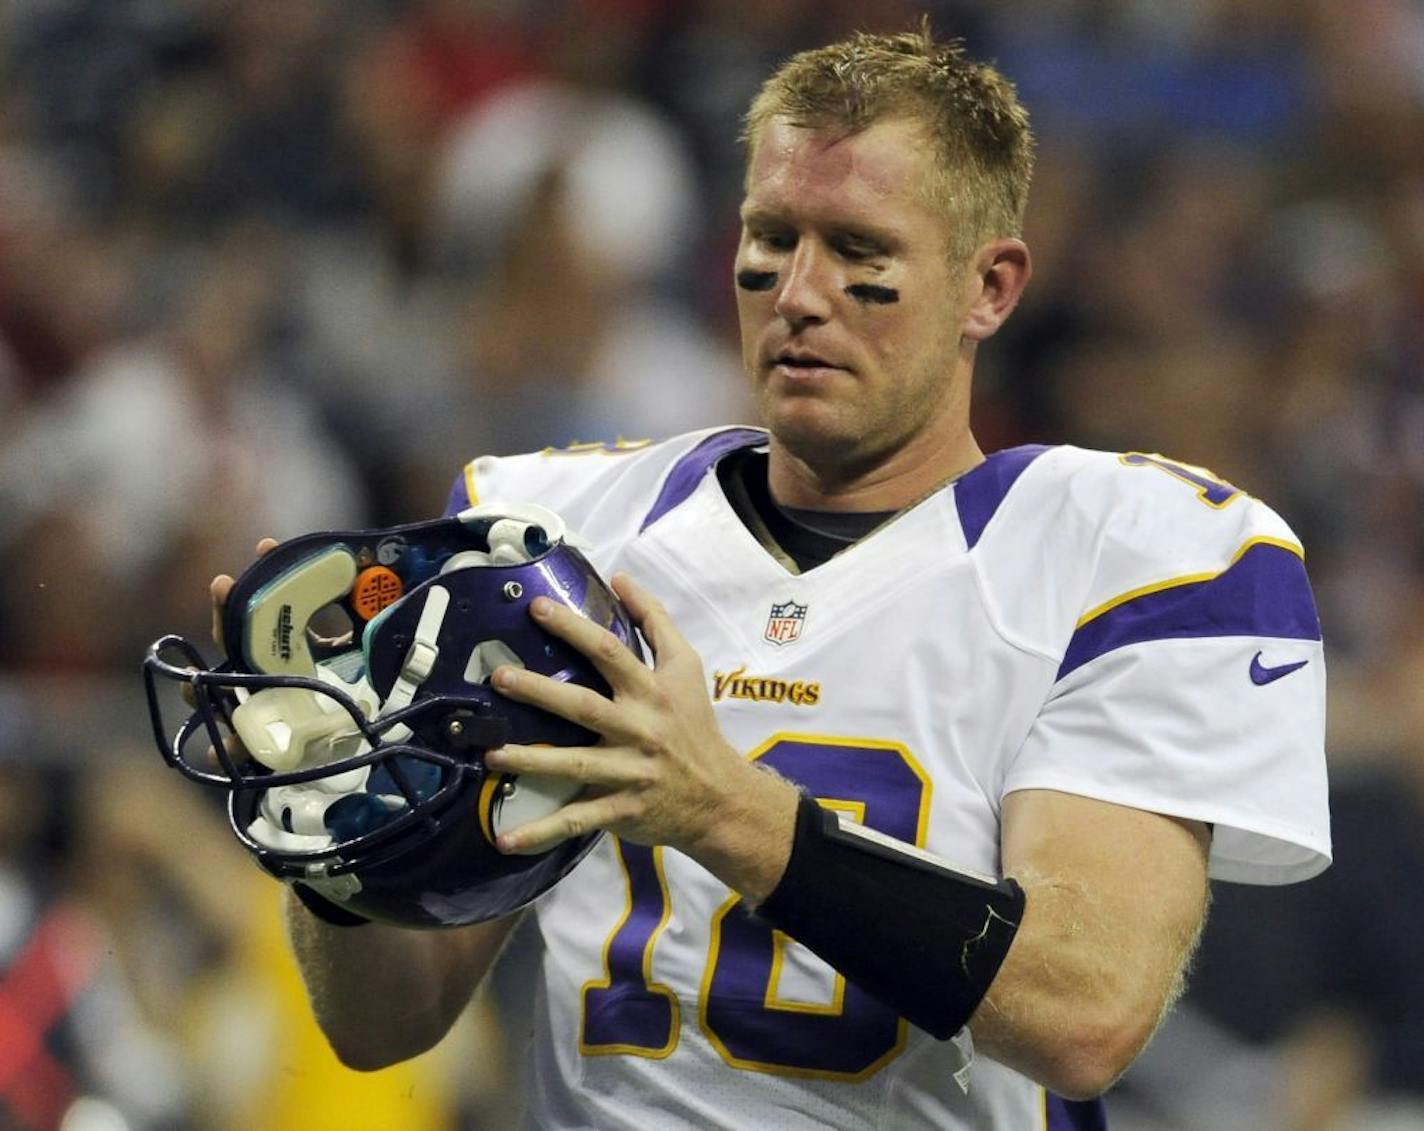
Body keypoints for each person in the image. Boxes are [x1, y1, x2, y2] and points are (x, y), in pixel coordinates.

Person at [214, 28, 1330, 1129]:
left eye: (857, 251)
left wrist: (721, 811)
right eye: (771, 237)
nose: (799, 292)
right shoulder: (551, 535)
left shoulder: (1130, 551)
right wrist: (328, 832)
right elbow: (383, 1027)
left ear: (986, 287)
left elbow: (1084, 1014)